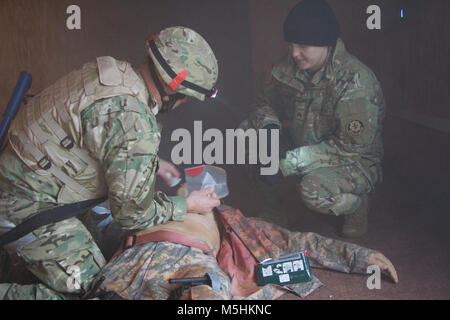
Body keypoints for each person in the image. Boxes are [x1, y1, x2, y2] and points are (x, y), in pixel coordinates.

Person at [0, 26, 221, 300]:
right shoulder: (135, 123)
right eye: (187, 96)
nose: (185, 102)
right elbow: (131, 214)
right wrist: (187, 204)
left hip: (18, 173)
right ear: (171, 87)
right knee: (102, 290)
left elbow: (97, 132)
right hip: (25, 205)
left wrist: (151, 161)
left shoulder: (111, 72)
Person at [87, 183, 398, 300]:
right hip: (131, 260)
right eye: (191, 185)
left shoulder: (233, 222)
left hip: (189, 267)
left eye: (210, 190)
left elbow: (297, 242)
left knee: (204, 298)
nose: (204, 191)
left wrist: (360, 257)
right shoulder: (157, 205)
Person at [241, 0, 386, 238]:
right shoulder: (288, 67)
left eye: (303, 45)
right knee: (247, 137)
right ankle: (273, 210)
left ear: (325, 43)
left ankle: (356, 204)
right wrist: (268, 130)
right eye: (291, 44)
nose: (294, 52)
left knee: (312, 189)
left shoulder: (356, 82)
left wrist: (288, 162)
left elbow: (350, 147)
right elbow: (262, 103)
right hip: (304, 143)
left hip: (352, 159)